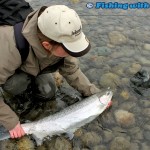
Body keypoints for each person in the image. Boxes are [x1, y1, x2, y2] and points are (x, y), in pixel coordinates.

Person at [0, 5, 100, 139]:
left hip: (32, 66)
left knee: (49, 91)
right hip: (10, 65)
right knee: (17, 84)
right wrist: (11, 122)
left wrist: (95, 95)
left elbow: (71, 71)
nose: (73, 52)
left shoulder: (62, 40)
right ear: (47, 45)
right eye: (69, 49)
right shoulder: (8, 48)